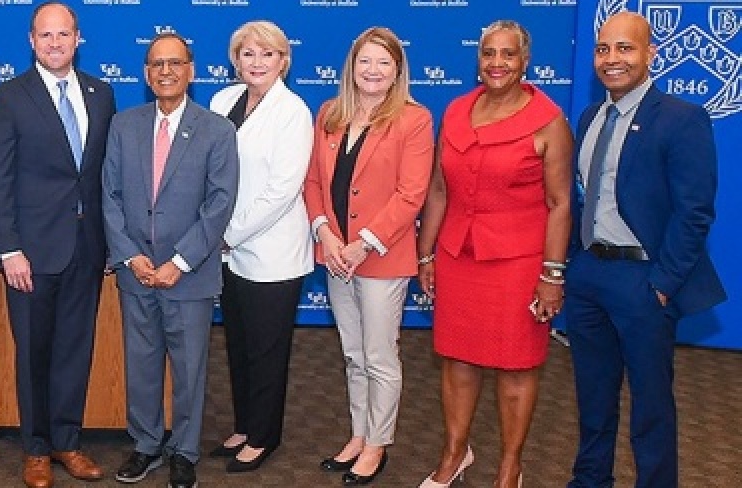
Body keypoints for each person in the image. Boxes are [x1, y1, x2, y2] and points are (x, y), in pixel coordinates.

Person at [565, 12, 724, 488]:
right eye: (603, 49)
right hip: (589, 274)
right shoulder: (591, 117)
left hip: (643, 279)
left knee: (651, 405)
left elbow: (694, 212)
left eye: (625, 48)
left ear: (650, 54)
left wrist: (662, 285)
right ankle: (590, 480)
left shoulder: (682, 118)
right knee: (593, 397)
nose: (612, 59)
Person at [414, 20, 573, 488]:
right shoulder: (457, 111)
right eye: (489, 53)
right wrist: (427, 254)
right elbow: (440, 188)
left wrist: (553, 274)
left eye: (508, 54)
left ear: (525, 62)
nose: (497, 63)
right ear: (477, 59)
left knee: (516, 365)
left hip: (520, 263)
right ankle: (454, 455)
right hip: (459, 257)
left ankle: (510, 466)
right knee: (457, 360)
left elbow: (561, 202)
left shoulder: (548, 122)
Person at [0, 2, 115, 487]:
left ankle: (67, 442)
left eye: (64, 34)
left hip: (87, 248)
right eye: (45, 35)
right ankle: (35, 448)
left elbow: (103, 177)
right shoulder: (9, 98)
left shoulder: (101, 94)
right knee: (33, 351)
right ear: (31, 41)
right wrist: (9, 249)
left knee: (76, 348)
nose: (55, 43)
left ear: (78, 38)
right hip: (31, 255)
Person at [103, 32, 239, 488]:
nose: (166, 71)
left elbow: (219, 204)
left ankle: (184, 451)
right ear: (145, 73)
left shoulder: (217, 130)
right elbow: (110, 197)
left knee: (189, 369)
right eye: (157, 64)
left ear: (191, 70)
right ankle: (145, 445)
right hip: (137, 271)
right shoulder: (124, 126)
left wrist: (178, 262)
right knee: (140, 365)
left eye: (175, 63)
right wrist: (130, 256)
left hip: (190, 276)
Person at [303, 26, 434, 487]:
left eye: (383, 62)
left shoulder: (413, 119)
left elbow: (412, 193)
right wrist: (326, 235)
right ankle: (358, 435)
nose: (372, 70)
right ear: (351, 66)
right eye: (365, 61)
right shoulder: (330, 114)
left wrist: (363, 243)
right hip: (337, 255)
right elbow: (314, 183)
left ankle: (378, 443)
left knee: (379, 356)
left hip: (380, 258)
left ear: (397, 69)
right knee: (353, 354)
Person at [207, 20, 314, 473]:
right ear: (236, 59)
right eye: (248, 54)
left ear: (283, 61)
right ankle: (244, 425)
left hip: (272, 252)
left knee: (267, 349)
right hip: (227, 251)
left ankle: (264, 436)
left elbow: (282, 191)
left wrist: (226, 234)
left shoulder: (294, 111)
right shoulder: (221, 100)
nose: (256, 62)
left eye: (267, 54)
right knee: (237, 343)